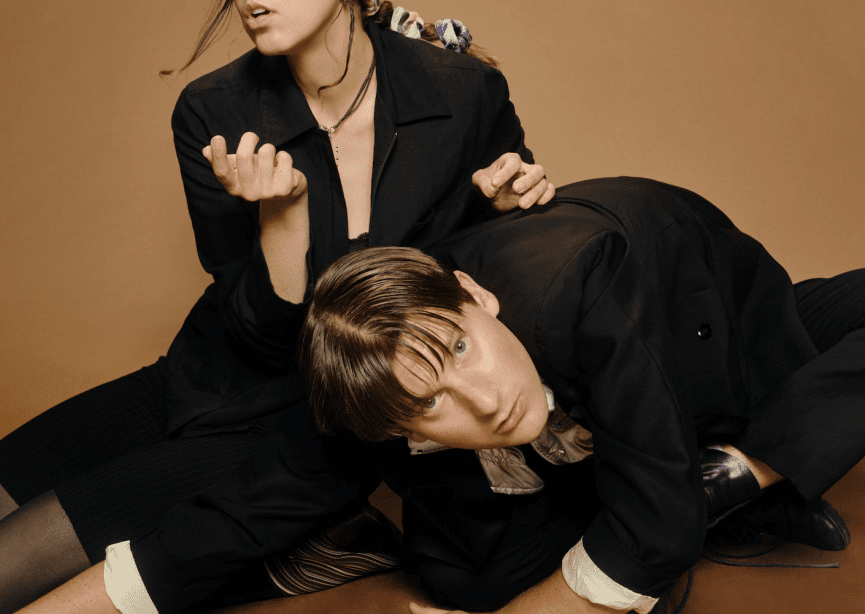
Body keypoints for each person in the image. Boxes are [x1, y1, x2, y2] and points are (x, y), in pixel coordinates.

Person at [0, 0, 555, 614]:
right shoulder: (213, 110)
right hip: (213, 373)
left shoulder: (462, 91)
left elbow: (485, 288)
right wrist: (283, 219)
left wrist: (510, 204)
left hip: (320, 423)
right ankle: (304, 529)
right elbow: (255, 335)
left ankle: (326, 541)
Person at [300, 176, 864, 613]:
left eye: (461, 348)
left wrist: (726, 479)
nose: (486, 402)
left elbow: (657, 535)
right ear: (404, 431)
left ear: (473, 293)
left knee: (653, 521)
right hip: (615, 405)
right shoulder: (381, 399)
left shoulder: (576, 282)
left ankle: (735, 475)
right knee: (468, 576)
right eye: (429, 404)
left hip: (740, 338)